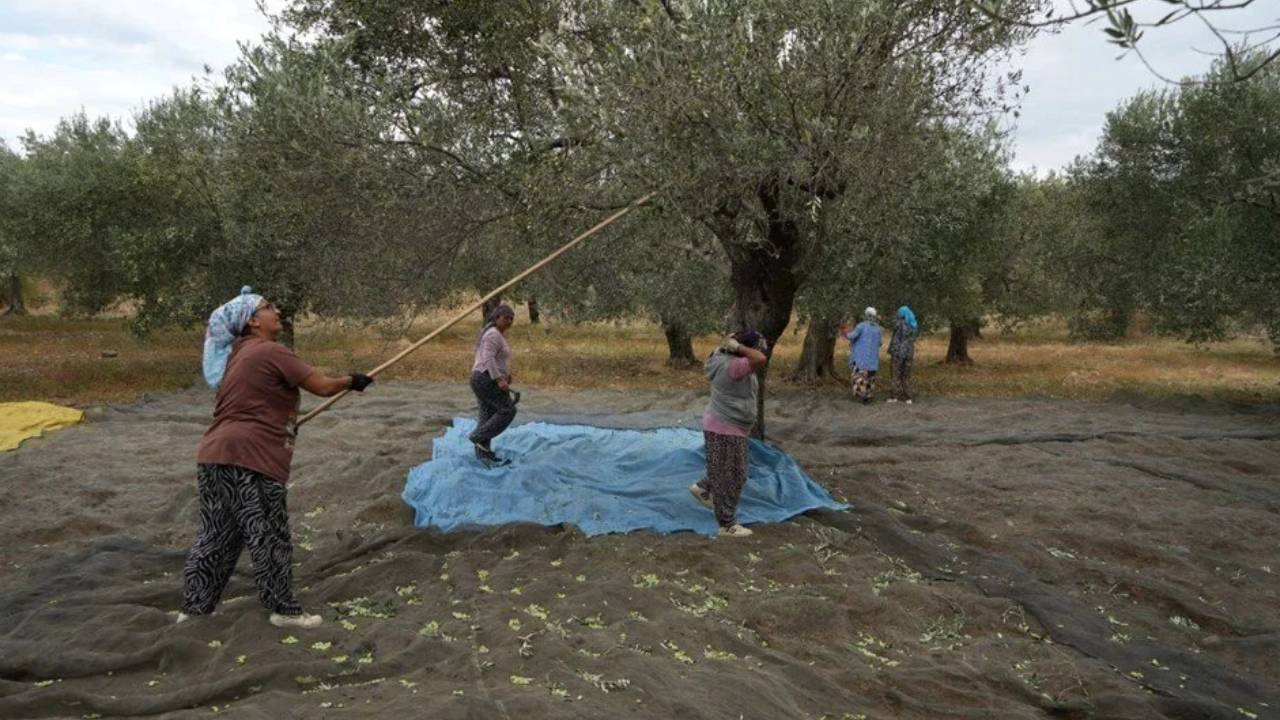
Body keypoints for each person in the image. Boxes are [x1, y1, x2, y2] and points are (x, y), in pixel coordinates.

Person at [181, 287, 373, 629]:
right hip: (250, 460)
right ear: (253, 321)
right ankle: (283, 610)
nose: (277, 311)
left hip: (214, 456)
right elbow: (323, 386)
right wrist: (352, 381)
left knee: (216, 536)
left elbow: (258, 400)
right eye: (268, 307)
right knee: (268, 533)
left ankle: (195, 609)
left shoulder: (238, 355)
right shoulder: (270, 351)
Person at [688, 329, 769, 538]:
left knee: (725, 471)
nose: (759, 349)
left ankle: (702, 487)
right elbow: (760, 358)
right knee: (733, 476)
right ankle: (727, 525)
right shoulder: (734, 366)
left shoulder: (720, 357)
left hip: (723, 425)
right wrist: (739, 346)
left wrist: (734, 342)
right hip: (725, 427)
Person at [469, 303, 518, 464]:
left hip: (482, 378)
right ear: (497, 318)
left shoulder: (497, 334)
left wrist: (506, 375)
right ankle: (477, 437)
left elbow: (497, 359)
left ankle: (483, 454)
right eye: (506, 318)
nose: (509, 321)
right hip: (485, 378)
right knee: (507, 410)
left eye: (511, 318)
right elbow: (488, 359)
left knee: (487, 416)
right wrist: (498, 379)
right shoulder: (492, 335)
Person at [843, 307, 883, 404]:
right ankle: (869, 396)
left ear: (866, 315)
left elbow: (852, 336)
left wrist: (844, 332)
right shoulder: (878, 329)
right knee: (870, 377)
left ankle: (862, 395)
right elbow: (880, 343)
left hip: (861, 357)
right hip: (873, 359)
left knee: (859, 377)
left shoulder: (861, 326)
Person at [888, 305, 919, 404]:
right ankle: (909, 397)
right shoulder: (914, 326)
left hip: (898, 352)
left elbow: (891, 324)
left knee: (895, 374)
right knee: (906, 375)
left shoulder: (899, 323)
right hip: (909, 353)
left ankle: (894, 397)